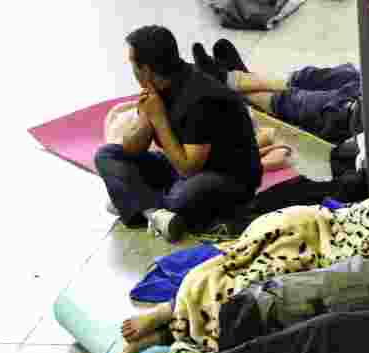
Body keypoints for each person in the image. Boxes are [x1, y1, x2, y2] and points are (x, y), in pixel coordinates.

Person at [118, 196, 369, 353]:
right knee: (241, 274)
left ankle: (171, 328)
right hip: (315, 231)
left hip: (323, 249)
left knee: (255, 296)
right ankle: (167, 313)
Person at [95, 26, 263, 241]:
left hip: (227, 177)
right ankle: (153, 213)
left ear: (146, 70)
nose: (132, 70)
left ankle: (134, 201)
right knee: (107, 154)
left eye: (132, 64)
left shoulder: (200, 97)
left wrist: (158, 119)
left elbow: (190, 167)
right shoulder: (157, 89)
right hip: (178, 167)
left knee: (182, 199)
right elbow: (131, 149)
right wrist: (147, 117)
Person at [192, 39, 362, 145]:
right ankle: (242, 81)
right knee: (340, 76)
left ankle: (236, 84)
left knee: (327, 103)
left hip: (363, 119)